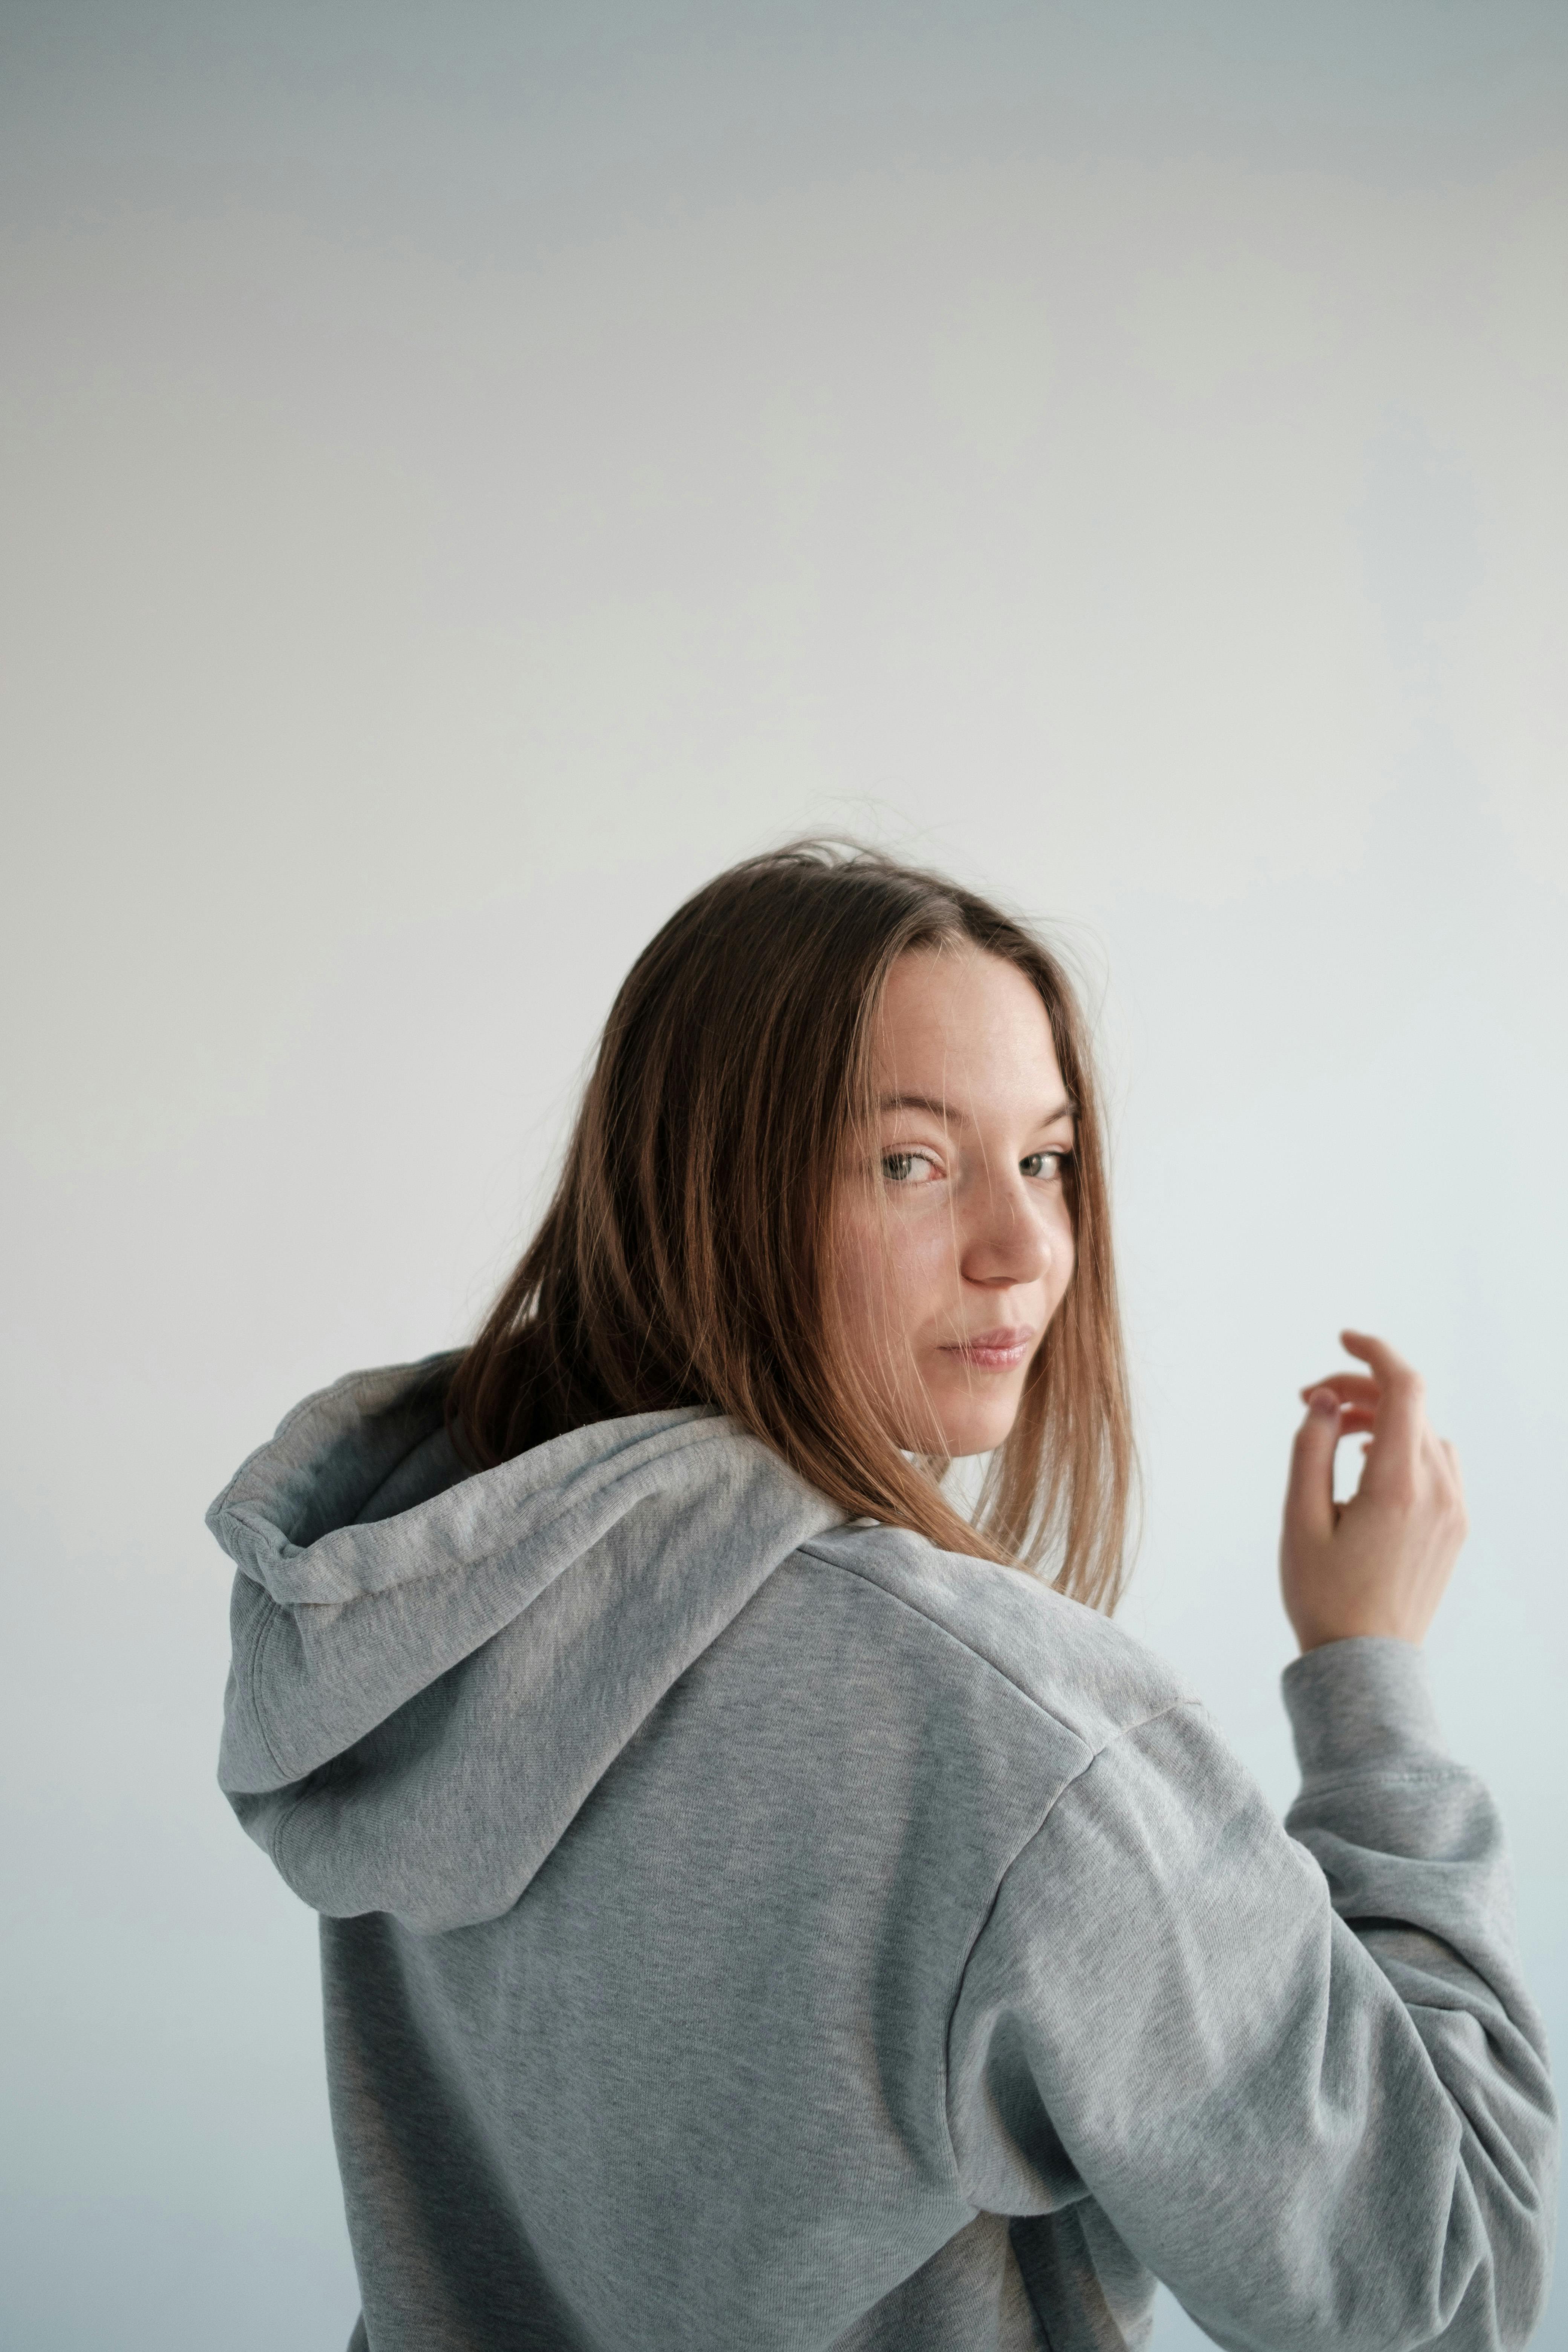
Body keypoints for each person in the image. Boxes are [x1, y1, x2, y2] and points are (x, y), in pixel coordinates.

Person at [208, 841, 1556, 2352]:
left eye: (1045, 1159)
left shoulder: (434, 1605)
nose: (1024, 1249)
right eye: (911, 1163)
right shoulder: (1010, 1738)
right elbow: (1445, 2285)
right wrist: (1369, 1672)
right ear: (713, 1192)